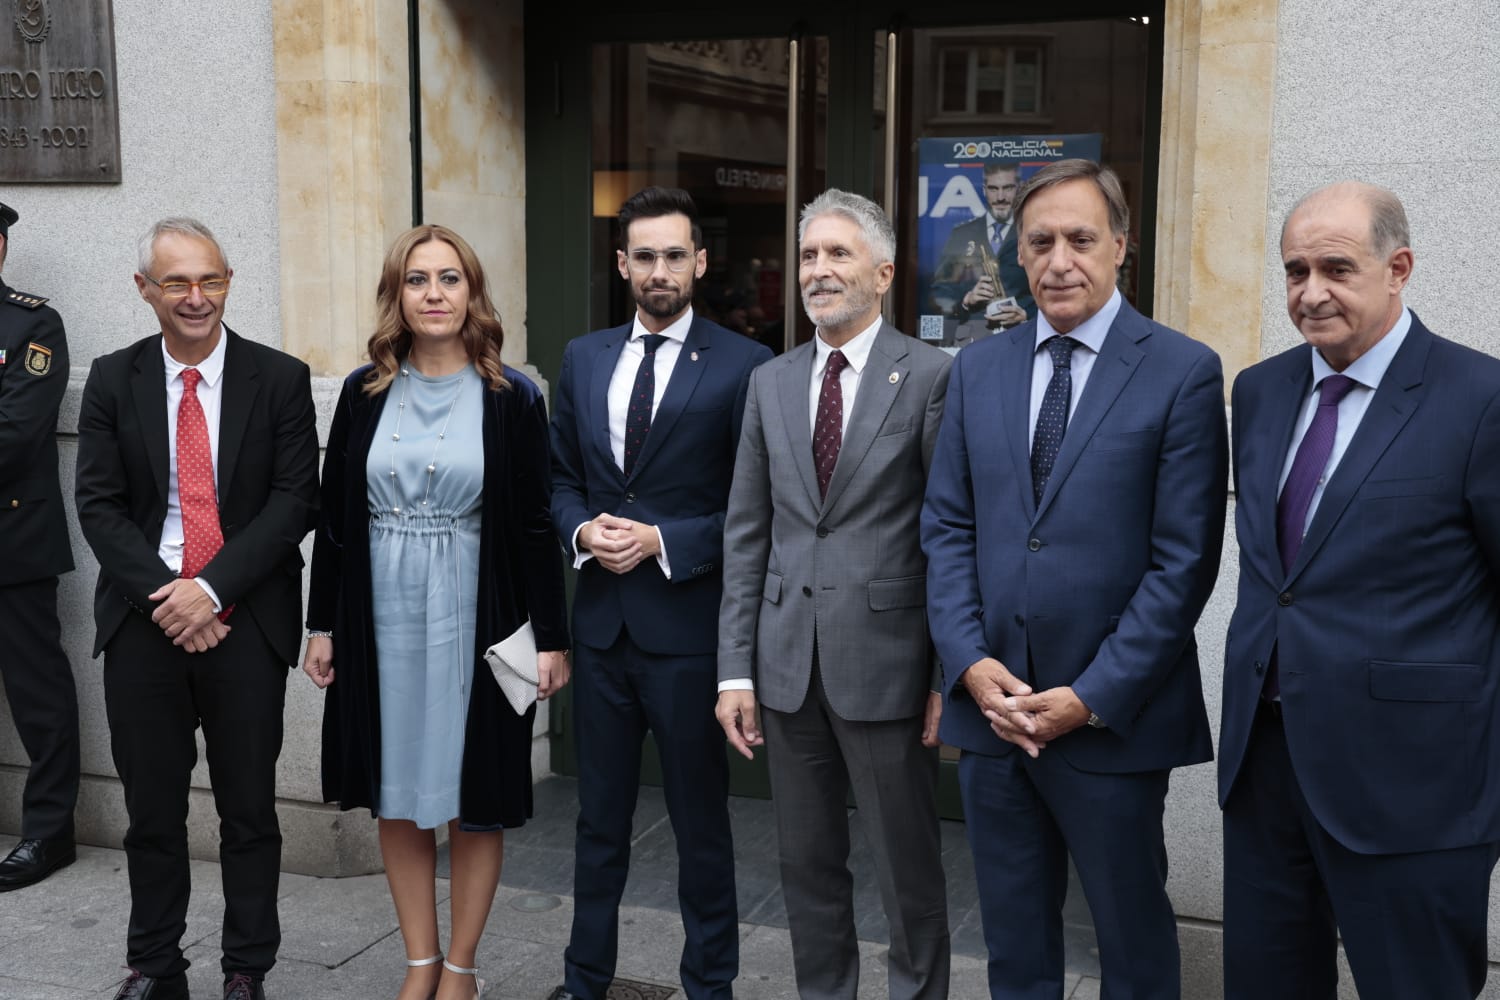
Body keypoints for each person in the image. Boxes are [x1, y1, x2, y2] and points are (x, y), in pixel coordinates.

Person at [920, 159, 1228, 999]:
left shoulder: (1183, 371)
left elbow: (1184, 563)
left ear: (1121, 246)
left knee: (1131, 942)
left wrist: (1089, 696)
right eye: (1041, 241)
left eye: (1081, 239)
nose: (1060, 260)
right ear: (1017, 255)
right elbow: (946, 527)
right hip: (995, 715)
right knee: (1015, 947)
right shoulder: (977, 370)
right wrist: (969, 666)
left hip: (1111, 724)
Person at [1219, 181, 1500, 999]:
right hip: (1266, 766)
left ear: (1398, 267)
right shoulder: (1263, 391)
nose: (1311, 293)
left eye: (1336, 268)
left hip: (1416, 786)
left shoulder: (1479, 400)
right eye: (1295, 270)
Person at [305, 224, 570, 1000]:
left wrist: (550, 639)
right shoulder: (363, 393)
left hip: (475, 612)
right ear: (397, 295)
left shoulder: (513, 396)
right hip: (376, 614)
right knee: (395, 786)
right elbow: (334, 520)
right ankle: (419, 962)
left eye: (449, 279)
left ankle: (461, 968)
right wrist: (321, 627)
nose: (434, 294)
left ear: (472, 292)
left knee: (474, 798)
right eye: (417, 280)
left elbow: (531, 527)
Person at [75, 218, 320, 1000]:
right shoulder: (115, 380)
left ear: (227, 282)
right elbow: (100, 506)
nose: (195, 297)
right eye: (176, 282)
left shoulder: (279, 378)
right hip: (146, 616)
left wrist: (210, 590)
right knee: (151, 809)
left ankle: (246, 968)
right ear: (144, 289)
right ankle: (155, 963)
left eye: (210, 279)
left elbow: (294, 503)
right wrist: (170, 596)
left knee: (249, 807)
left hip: (243, 617)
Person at [717, 189, 953, 1000]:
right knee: (805, 863)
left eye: (838, 254)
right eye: (809, 255)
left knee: (906, 869)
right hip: (784, 670)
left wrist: (944, 677)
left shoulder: (929, 377)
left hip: (887, 666)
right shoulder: (770, 381)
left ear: (882, 273)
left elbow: (949, 540)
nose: (818, 270)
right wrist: (734, 673)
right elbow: (747, 533)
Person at [548, 186, 772, 1000]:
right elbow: (561, 479)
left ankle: (710, 985)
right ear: (621, 264)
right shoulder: (583, 357)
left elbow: (756, 509)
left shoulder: (746, 365)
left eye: (675, 255)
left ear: (701, 263)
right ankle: (584, 982)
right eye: (644, 256)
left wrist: (662, 541)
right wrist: (582, 532)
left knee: (701, 829)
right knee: (596, 825)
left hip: (688, 637)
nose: (660, 271)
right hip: (603, 633)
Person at [0, 200, 80, 893]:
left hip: (11, 537)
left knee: (37, 694)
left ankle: (50, 834)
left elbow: (15, 431)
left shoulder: (32, 324)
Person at [930, 161, 1035, 329]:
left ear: (1019, 188)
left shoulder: (1034, 233)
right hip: (974, 338)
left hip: (1023, 337)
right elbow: (940, 292)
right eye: (993, 189)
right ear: (984, 190)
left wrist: (1027, 316)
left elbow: (1051, 289)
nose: (1000, 197)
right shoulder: (961, 234)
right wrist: (966, 300)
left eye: (1007, 188)